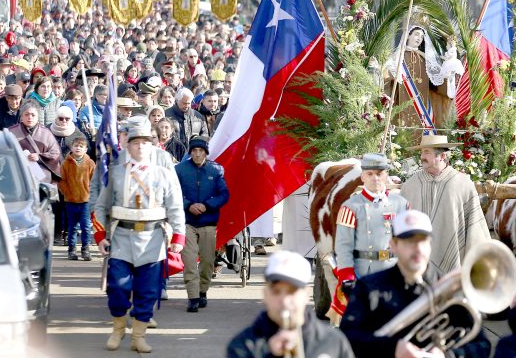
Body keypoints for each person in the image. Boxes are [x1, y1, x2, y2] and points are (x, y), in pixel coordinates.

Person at [340, 210, 490, 357]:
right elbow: (346, 338)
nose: (417, 248)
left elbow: (482, 346)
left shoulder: (452, 289)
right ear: (393, 245)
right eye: (409, 241)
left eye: (423, 240)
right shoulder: (369, 288)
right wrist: (393, 348)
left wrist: (447, 355)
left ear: (430, 244)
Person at [93, 124, 186, 353]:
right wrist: (100, 236)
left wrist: (178, 237)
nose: (141, 146)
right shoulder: (115, 172)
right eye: (136, 142)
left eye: (145, 142)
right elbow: (101, 206)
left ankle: (138, 336)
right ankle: (117, 329)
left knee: (147, 292)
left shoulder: (163, 174)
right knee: (117, 288)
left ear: (152, 146)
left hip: (152, 239)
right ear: (128, 146)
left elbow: (175, 207)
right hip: (122, 237)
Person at [227, 250, 355, 358]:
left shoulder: (332, 340)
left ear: (306, 295)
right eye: (276, 292)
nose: (284, 301)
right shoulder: (243, 345)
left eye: (292, 292)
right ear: (265, 295)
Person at [331, 153, 409, 320]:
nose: (375, 178)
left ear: (386, 175)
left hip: (393, 270)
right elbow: (343, 246)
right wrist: (347, 276)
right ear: (362, 176)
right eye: (370, 174)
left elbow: (407, 241)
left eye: (379, 173)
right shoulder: (350, 207)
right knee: (364, 322)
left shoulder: (401, 204)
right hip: (363, 272)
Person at [400, 133, 490, 278]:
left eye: (427, 152)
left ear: (442, 156)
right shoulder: (410, 186)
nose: (422, 156)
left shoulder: (463, 184)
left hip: (453, 269)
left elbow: (474, 229)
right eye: (422, 152)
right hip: (416, 267)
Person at [174, 136, 229, 313]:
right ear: (190, 152)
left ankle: (203, 291)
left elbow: (224, 195)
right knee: (189, 261)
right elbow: (173, 194)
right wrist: (188, 205)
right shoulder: (180, 170)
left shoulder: (216, 169)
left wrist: (207, 205)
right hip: (187, 222)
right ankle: (193, 297)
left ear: (206, 152)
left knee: (207, 262)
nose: (197, 154)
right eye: (194, 151)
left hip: (208, 222)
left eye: (201, 151)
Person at [58, 136, 95, 261]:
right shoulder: (66, 163)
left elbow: (94, 181)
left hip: (85, 200)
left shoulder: (90, 163)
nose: (78, 148)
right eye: (76, 146)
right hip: (71, 200)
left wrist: (90, 193)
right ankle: (71, 250)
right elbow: (61, 181)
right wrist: (67, 193)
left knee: (85, 226)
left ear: (85, 149)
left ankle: (85, 249)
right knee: (72, 227)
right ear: (71, 148)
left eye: (81, 146)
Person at [8, 101, 62, 184]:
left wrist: (40, 157)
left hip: (42, 173)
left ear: (38, 117)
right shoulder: (11, 132)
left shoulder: (46, 133)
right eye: (26, 114)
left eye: (33, 115)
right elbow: (5, 152)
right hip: (18, 172)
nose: (30, 117)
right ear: (21, 116)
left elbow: (55, 153)